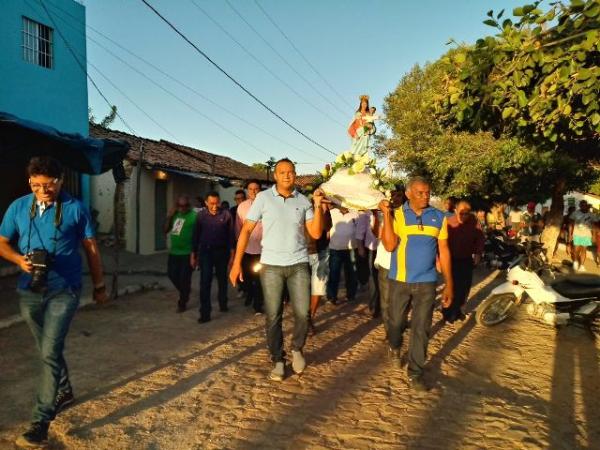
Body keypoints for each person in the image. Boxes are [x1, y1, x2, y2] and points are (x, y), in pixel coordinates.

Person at [0, 156, 108, 448]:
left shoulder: (75, 209)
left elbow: (91, 249)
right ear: (30, 183)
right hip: (29, 288)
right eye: (36, 185)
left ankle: (41, 421)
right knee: (47, 349)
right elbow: (1, 242)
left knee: (49, 351)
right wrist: (17, 260)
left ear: (60, 180)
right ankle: (64, 389)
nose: (43, 190)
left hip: (65, 290)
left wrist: (99, 285)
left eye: (48, 185)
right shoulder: (19, 207)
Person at [230, 158, 327, 381]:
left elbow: (316, 233)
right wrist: (236, 263)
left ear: (295, 175)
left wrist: (319, 206)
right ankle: (277, 359)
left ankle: (296, 349)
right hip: (271, 265)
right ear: (275, 176)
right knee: (273, 315)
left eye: (290, 171)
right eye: (282, 172)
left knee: (303, 312)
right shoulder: (263, 198)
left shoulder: (303, 201)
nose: (286, 175)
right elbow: (246, 231)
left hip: (298, 264)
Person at [379, 177, 453, 392]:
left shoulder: (439, 217)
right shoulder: (397, 214)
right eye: (420, 193)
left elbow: (445, 251)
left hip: (427, 282)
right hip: (399, 280)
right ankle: (395, 346)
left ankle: (416, 372)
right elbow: (390, 245)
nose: (425, 196)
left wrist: (449, 283)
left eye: (428, 193)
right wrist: (386, 215)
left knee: (421, 328)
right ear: (409, 194)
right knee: (396, 323)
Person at [191, 191, 234, 323]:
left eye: (217, 203)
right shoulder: (201, 216)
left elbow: (231, 236)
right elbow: (196, 236)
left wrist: (232, 256)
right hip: (206, 253)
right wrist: (193, 255)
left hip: (222, 253)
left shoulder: (226, 214)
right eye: (211, 203)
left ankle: (223, 303)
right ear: (206, 203)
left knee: (222, 280)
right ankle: (205, 313)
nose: (215, 206)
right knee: (205, 282)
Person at [443, 200, 485, 323]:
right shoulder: (448, 222)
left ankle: (460, 310)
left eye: (467, 213)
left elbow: (480, 238)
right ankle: (448, 312)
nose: (464, 216)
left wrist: (478, 253)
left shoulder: (474, 221)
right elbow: (441, 243)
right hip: (451, 260)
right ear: (455, 211)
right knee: (452, 286)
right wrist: (438, 260)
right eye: (461, 213)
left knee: (464, 287)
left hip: (466, 259)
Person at [373, 187, 406, 336]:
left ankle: (400, 323)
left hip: (402, 262)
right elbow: (376, 234)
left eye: (399, 195)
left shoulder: (407, 215)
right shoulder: (382, 213)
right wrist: (376, 214)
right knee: (386, 301)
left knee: (402, 300)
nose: (395, 198)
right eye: (393, 195)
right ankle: (390, 332)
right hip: (386, 262)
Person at [235, 180, 263, 314]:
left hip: (262, 251)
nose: (253, 191)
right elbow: (238, 229)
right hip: (246, 250)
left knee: (259, 279)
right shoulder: (242, 207)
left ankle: (258, 305)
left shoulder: (267, 206)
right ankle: (250, 295)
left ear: (260, 190)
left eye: (256, 188)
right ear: (247, 190)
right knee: (247, 278)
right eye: (250, 189)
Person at [164, 195, 196, 313]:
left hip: (187, 253)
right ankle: (185, 291)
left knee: (184, 278)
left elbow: (198, 236)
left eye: (185, 206)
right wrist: (169, 216)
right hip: (174, 252)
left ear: (189, 205)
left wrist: (195, 254)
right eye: (180, 206)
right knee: (171, 275)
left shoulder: (194, 216)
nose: (182, 208)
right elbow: (165, 230)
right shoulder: (175, 215)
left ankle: (182, 303)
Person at [308, 202, 332, 334]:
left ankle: (309, 318)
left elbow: (327, 226)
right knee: (304, 288)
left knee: (319, 287)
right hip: (304, 252)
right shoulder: (303, 208)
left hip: (321, 252)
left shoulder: (324, 211)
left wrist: (324, 209)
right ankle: (305, 318)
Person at [327, 206, 359, 304]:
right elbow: (327, 227)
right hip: (335, 248)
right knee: (334, 274)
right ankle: (332, 297)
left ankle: (351, 295)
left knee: (352, 274)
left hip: (352, 248)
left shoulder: (355, 212)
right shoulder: (332, 212)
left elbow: (360, 230)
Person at [356, 210, 380, 316]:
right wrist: (360, 247)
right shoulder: (366, 211)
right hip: (372, 248)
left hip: (387, 248)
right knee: (373, 277)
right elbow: (360, 230)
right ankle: (374, 307)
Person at [569, 200, 599, 272]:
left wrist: (594, 235)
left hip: (587, 235)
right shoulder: (575, 213)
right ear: (580, 206)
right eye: (582, 205)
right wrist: (570, 234)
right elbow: (570, 224)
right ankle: (576, 262)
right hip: (577, 234)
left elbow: (594, 225)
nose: (583, 206)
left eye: (585, 205)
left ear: (586, 206)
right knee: (576, 250)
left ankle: (582, 266)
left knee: (583, 250)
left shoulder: (591, 215)